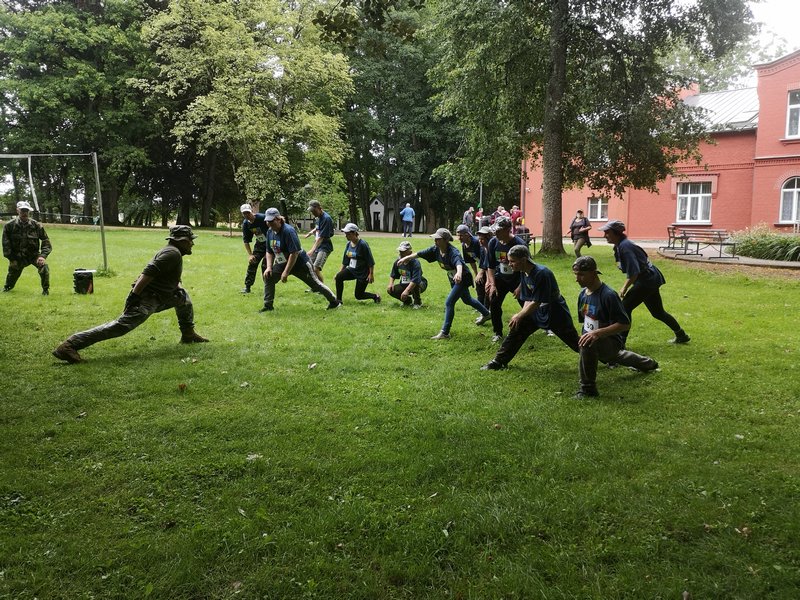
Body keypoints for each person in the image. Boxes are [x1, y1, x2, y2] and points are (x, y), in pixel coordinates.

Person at [52, 226, 208, 363]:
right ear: (182, 241)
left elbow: (167, 275)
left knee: (183, 299)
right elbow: (147, 273)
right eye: (190, 240)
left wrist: (177, 287)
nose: (192, 243)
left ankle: (188, 334)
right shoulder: (172, 254)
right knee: (120, 326)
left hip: (163, 295)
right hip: (148, 298)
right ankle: (69, 345)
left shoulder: (173, 252)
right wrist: (134, 296)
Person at [481, 244, 579, 370]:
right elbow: (528, 298)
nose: (509, 264)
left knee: (575, 343)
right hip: (536, 311)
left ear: (523, 260)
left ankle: (604, 356)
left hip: (554, 313)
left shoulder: (542, 273)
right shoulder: (524, 272)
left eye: (512, 261)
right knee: (517, 329)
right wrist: (521, 316)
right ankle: (498, 362)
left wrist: (519, 315)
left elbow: (537, 301)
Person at [572, 256, 659, 398]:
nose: (577, 279)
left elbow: (625, 324)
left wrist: (597, 333)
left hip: (611, 340)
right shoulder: (582, 295)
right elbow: (586, 321)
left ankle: (588, 389)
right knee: (618, 356)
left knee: (592, 345)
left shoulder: (608, 295)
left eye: (581, 274)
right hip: (598, 340)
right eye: (575, 274)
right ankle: (649, 363)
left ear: (594, 273)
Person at [599, 220, 690, 344]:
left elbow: (634, 272)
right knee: (658, 312)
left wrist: (624, 288)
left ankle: (620, 343)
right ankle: (681, 335)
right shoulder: (620, 246)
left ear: (616, 233)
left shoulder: (625, 247)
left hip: (647, 280)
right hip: (650, 278)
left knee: (625, 307)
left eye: (607, 233)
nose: (604, 236)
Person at [398, 228, 489, 340]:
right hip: (453, 278)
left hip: (462, 278)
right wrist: (406, 257)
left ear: (445, 240)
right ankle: (486, 314)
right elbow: (421, 253)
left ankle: (445, 332)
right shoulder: (436, 249)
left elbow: (459, 263)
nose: (435, 241)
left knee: (449, 302)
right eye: (435, 239)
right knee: (467, 299)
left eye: (438, 239)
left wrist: (459, 273)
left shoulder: (453, 251)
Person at [262, 208, 340, 311]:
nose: (269, 223)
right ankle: (268, 306)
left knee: (315, 284)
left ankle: (334, 302)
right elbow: (269, 251)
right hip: (283, 262)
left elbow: (294, 253)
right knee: (269, 277)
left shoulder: (288, 231)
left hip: (300, 263)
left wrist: (286, 272)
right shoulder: (270, 232)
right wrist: (269, 267)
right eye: (267, 221)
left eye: (271, 221)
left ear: (279, 219)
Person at [485, 216, 527, 342]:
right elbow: (491, 266)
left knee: (527, 304)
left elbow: (528, 268)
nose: (496, 233)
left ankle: (545, 326)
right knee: (494, 302)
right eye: (495, 230)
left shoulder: (520, 244)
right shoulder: (493, 243)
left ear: (508, 230)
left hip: (518, 279)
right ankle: (497, 332)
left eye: (499, 231)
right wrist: (492, 284)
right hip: (501, 278)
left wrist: (520, 286)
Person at [3, 200, 51, 295]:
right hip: (17, 257)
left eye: (26, 211)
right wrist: (12, 259)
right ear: (17, 210)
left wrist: (42, 256)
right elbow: (6, 244)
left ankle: (45, 290)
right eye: (22, 210)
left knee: (44, 268)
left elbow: (46, 240)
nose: (24, 213)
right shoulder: (9, 226)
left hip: (33, 255)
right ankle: (7, 287)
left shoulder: (36, 225)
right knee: (12, 275)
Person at [335, 223, 381, 304]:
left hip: (362, 273)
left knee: (359, 295)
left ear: (354, 233)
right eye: (346, 234)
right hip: (352, 270)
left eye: (348, 234)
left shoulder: (363, 244)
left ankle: (375, 296)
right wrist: (340, 272)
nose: (346, 236)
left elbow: (370, 261)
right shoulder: (348, 244)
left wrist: (371, 274)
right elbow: (345, 261)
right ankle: (339, 301)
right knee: (339, 277)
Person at [456, 224, 489, 326]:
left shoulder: (476, 243)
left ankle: (486, 309)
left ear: (467, 235)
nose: (459, 238)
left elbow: (485, 258)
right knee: (479, 284)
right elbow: (471, 261)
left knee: (486, 287)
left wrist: (481, 273)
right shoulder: (464, 245)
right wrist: (476, 274)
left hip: (488, 266)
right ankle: (481, 308)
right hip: (482, 267)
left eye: (461, 235)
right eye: (458, 235)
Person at [387, 241, 426, 308]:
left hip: (420, 283)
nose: (400, 253)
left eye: (403, 251)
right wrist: (391, 284)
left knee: (415, 284)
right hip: (405, 283)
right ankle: (407, 301)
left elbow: (415, 280)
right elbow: (393, 274)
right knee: (391, 290)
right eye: (400, 251)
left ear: (410, 253)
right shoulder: (398, 262)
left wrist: (406, 291)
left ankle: (417, 302)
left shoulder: (415, 263)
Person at [240, 203, 268, 294]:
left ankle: (268, 287)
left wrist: (269, 252)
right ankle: (247, 287)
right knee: (252, 262)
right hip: (260, 243)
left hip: (271, 243)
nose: (246, 215)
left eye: (248, 212)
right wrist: (250, 255)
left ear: (251, 211)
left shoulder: (262, 218)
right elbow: (246, 241)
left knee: (265, 265)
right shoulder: (246, 224)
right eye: (244, 213)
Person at [304, 200, 334, 283]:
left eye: (314, 211)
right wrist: (310, 233)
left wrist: (312, 250)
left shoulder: (326, 219)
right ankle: (315, 286)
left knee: (316, 268)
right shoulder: (318, 218)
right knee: (309, 266)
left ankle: (322, 288)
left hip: (324, 247)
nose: (313, 213)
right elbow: (318, 227)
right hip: (318, 246)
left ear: (319, 208)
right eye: (311, 211)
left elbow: (321, 238)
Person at [474, 225, 494, 311]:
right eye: (479, 239)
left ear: (489, 238)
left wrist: (488, 281)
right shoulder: (483, 249)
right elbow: (484, 264)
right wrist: (480, 274)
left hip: (495, 272)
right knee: (479, 281)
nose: (480, 241)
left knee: (488, 287)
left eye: (482, 239)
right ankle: (480, 306)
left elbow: (492, 266)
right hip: (488, 271)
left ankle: (486, 309)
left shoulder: (493, 248)